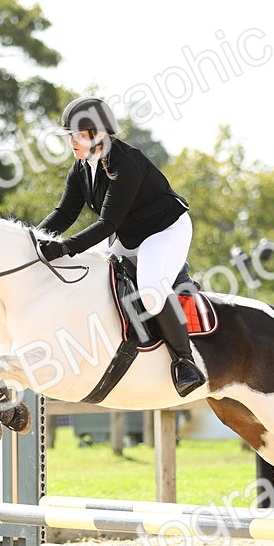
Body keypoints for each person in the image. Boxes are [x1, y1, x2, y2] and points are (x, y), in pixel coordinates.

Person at [35, 96, 204, 397]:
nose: (71, 141)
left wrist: (63, 248)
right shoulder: (82, 167)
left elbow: (106, 224)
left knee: (151, 289)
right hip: (129, 234)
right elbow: (64, 214)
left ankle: (185, 362)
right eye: (69, 135)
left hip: (165, 230)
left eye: (76, 134)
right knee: (88, 272)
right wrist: (35, 240)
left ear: (98, 134)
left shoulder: (126, 162)